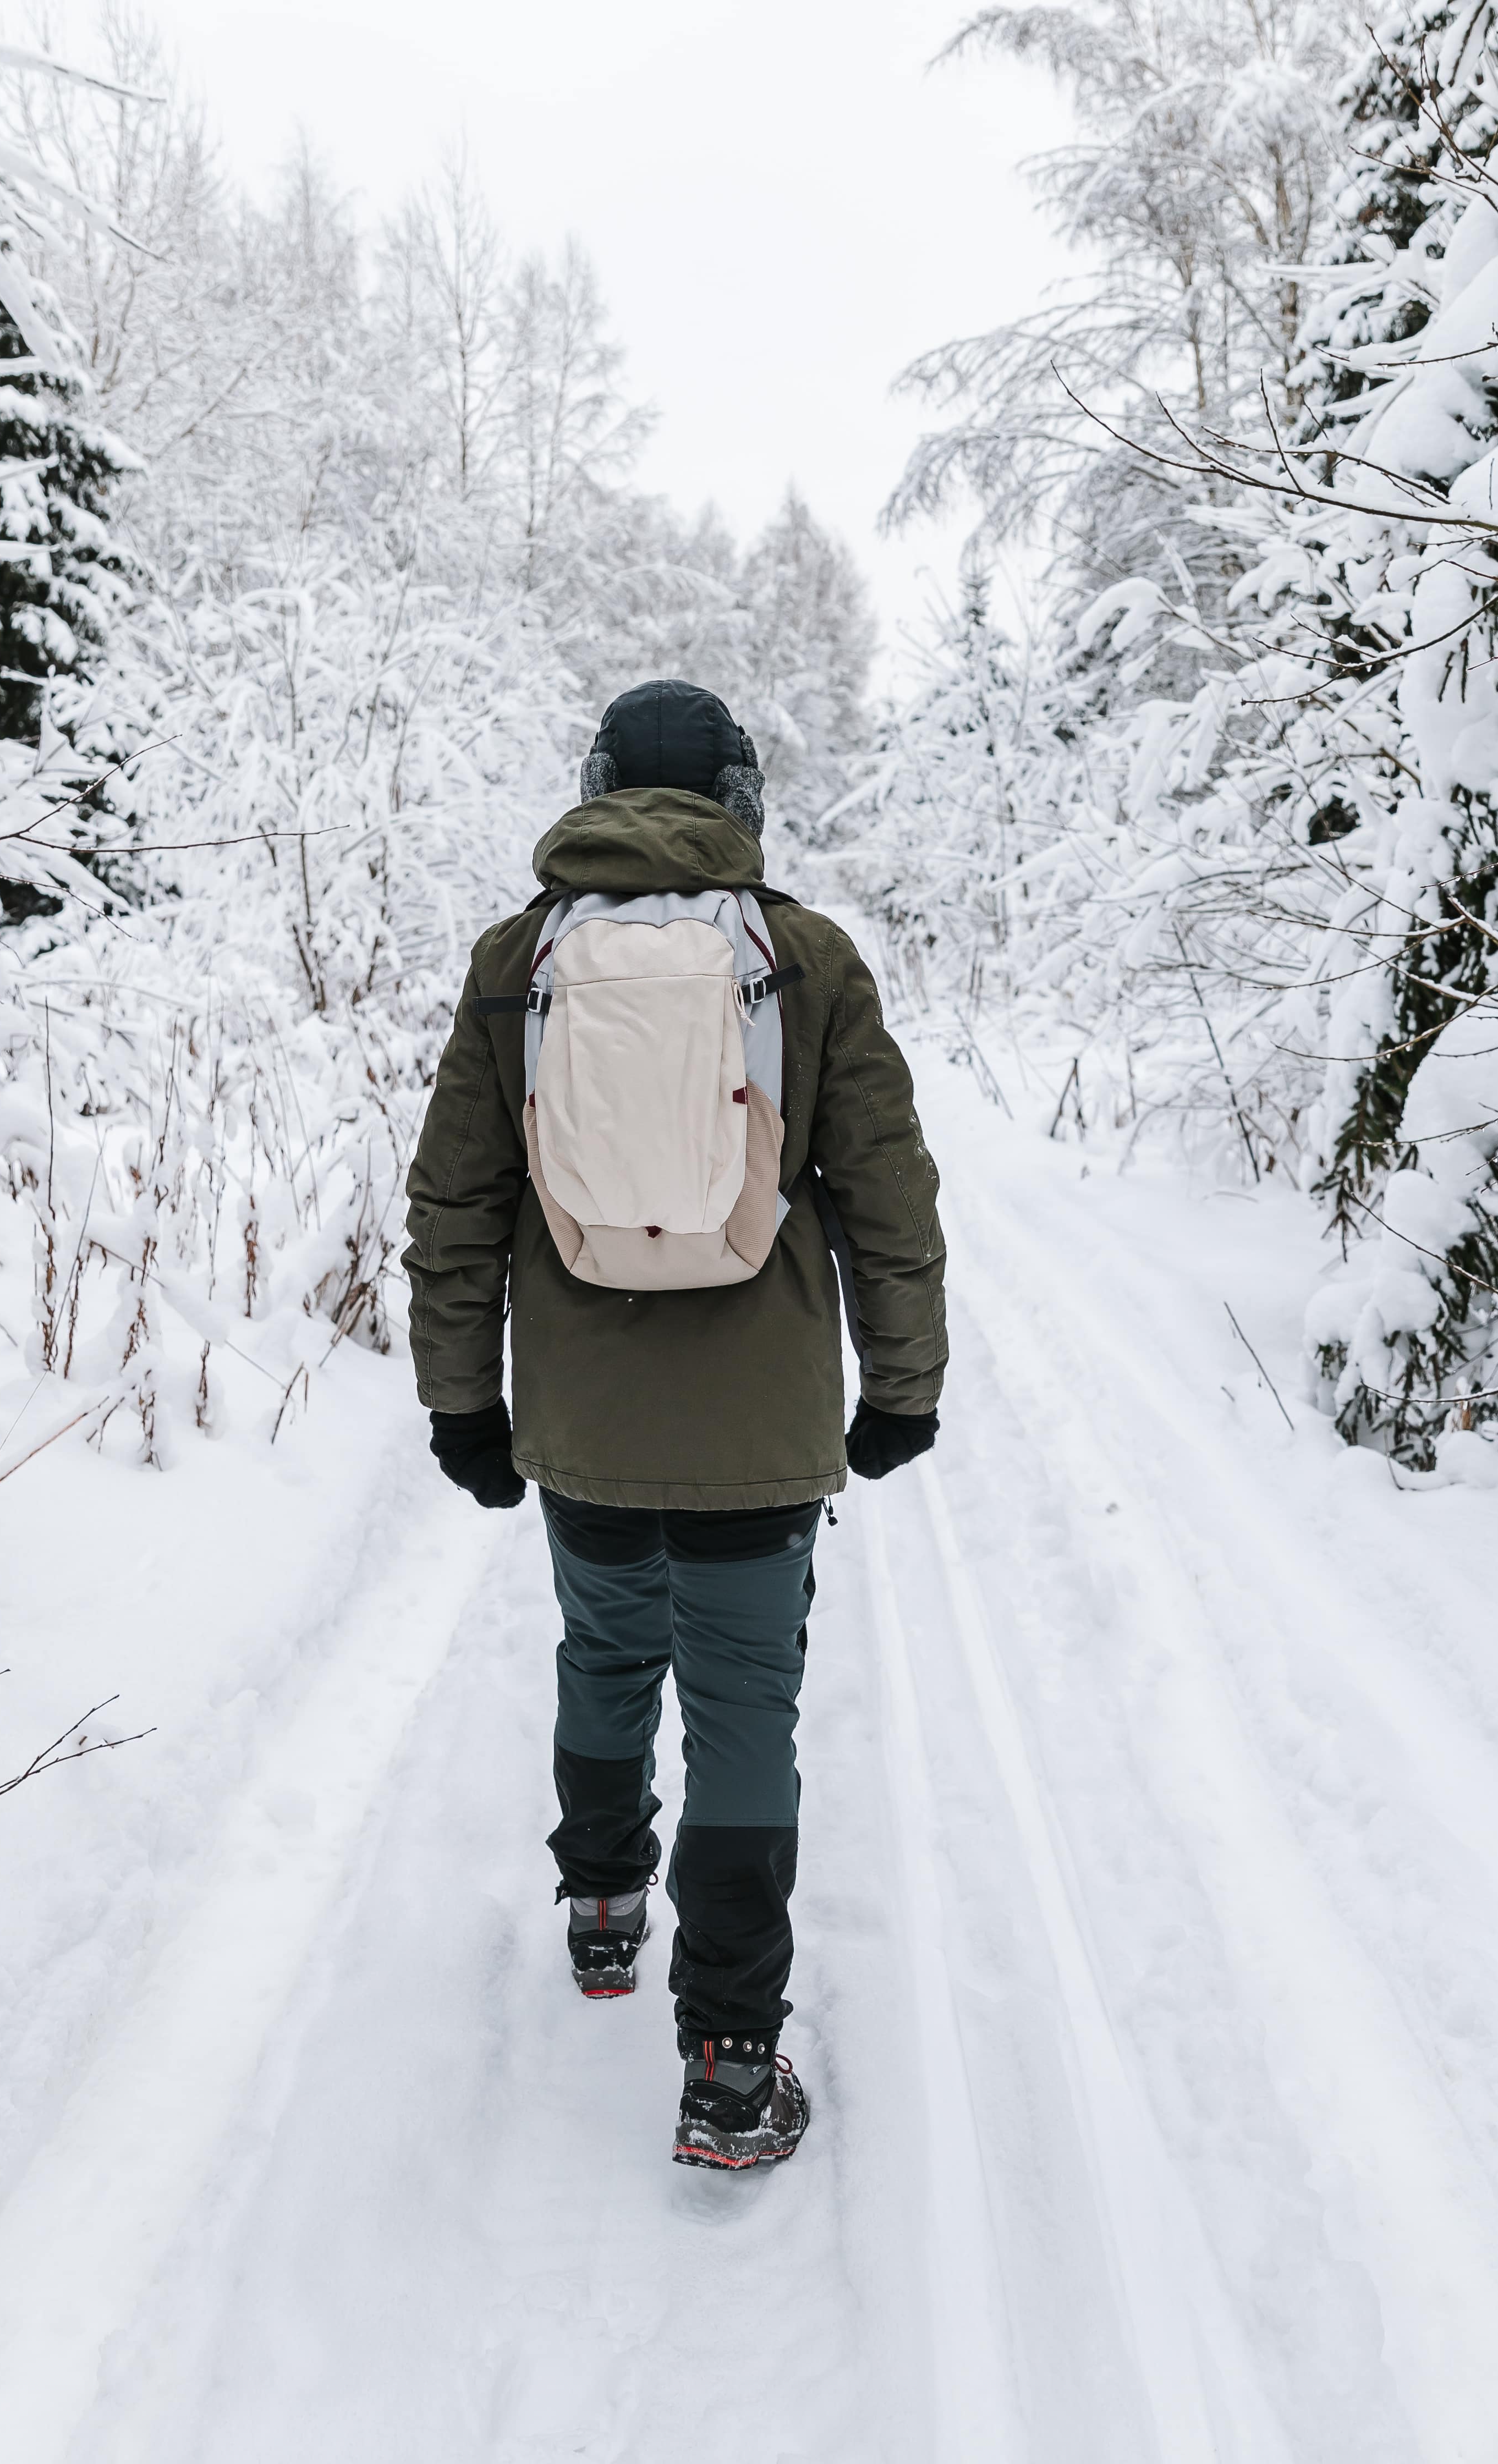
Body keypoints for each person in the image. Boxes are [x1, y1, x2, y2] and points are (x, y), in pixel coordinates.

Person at [404, 679, 947, 2171]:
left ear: (591, 787)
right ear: (742, 800)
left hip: (581, 1422)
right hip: (760, 1434)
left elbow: (458, 1205)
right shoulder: (811, 960)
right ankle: (726, 2059)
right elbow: (890, 1198)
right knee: (743, 1715)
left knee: (606, 1649)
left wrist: (464, 1400)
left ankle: (599, 1906)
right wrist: (904, 1383)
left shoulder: (518, 962)